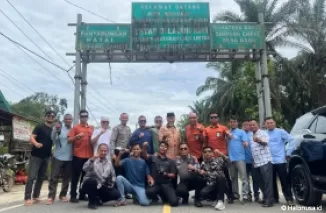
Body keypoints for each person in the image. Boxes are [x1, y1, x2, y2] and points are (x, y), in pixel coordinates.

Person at [24, 110, 55, 206]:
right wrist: (36, 143)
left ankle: (36, 196)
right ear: (45, 117)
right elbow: (32, 137)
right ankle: (27, 198)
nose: (51, 117)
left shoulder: (53, 130)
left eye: (53, 116)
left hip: (46, 157)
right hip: (36, 155)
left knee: (41, 177)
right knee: (31, 177)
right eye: (49, 115)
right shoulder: (39, 127)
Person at [203, 112, 234, 203]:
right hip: (211, 158)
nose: (214, 119)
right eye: (212, 117)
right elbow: (204, 141)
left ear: (218, 118)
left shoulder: (223, 128)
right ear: (210, 119)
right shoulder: (206, 129)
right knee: (212, 177)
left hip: (222, 157)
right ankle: (213, 195)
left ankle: (230, 195)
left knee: (226, 177)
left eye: (215, 117)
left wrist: (230, 135)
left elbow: (228, 134)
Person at [265, 117, 295, 206]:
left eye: (271, 122)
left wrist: (288, 152)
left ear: (275, 123)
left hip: (280, 160)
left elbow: (292, 140)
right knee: (272, 181)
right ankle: (275, 198)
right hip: (269, 161)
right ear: (265, 125)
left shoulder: (280, 131)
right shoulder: (264, 133)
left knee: (284, 180)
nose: (270, 124)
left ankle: (289, 199)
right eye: (268, 123)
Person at [81, 143, 120, 209]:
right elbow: (84, 168)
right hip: (90, 184)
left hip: (101, 185)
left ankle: (98, 199)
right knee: (92, 181)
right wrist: (92, 159)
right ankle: (91, 202)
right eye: (101, 150)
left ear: (107, 152)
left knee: (116, 194)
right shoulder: (93, 160)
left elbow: (113, 175)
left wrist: (112, 184)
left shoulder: (109, 163)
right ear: (98, 151)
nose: (103, 152)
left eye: (105, 151)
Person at [68, 110, 94, 203]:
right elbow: (69, 140)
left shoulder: (91, 128)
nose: (84, 117)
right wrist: (76, 137)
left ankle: (82, 194)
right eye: (82, 116)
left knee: (85, 177)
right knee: (75, 177)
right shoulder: (75, 128)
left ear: (87, 117)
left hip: (89, 156)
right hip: (78, 156)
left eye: (86, 116)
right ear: (80, 117)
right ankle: (73, 196)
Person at [47, 114, 73, 204]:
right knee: (54, 177)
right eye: (67, 119)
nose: (68, 120)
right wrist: (56, 130)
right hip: (58, 156)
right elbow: (53, 139)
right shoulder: (59, 128)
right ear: (64, 120)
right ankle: (51, 196)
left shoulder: (74, 129)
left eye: (70, 119)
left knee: (66, 178)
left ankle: (63, 195)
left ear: (72, 120)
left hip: (69, 157)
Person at [144, 141, 178, 207]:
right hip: (156, 184)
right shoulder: (153, 158)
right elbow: (145, 156)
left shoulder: (171, 161)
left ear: (167, 149)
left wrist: (166, 174)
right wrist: (145, 148)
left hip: (166, 184)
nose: (163, 148)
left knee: (174, 203)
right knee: (149, 192)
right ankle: (158, 194)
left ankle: (164, 195)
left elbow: (173, 175)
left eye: (165, 147)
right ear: (159, 147)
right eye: (161, 146)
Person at [249, 119, 274, 207]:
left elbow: (265, 143)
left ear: (258, 125)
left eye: (254, 125)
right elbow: (253, 150)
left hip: (265, 161)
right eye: (251, 125)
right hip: (256, 162)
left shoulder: (263, 133)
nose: (252, 126)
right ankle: (266, 197)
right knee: (259, 181)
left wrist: (258, 140)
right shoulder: (250, 135)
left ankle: (269, 201)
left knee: (267, 181)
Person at [197, 146, 228, 211]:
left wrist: (222, 155)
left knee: (220, 177)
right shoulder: (203, 163)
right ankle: (215, 199)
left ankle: (221, 201)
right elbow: (201, 174)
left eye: (209, 151)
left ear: (212, 153)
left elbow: (230, 162)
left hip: (221, 183)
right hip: (211, 184)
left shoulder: (219, 159)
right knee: (203, 192)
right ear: (203, 154)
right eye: (205, 152)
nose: (207, 153)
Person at [228, 117, 250, 202]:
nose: (233, 123)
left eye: (234, 122)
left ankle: (245, 195)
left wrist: (245, 144)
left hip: (240, 158)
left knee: (244, 177)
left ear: (237, 123)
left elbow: (246, 142)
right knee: (233, 178)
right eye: (231, 122)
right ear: (229, 123)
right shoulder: (227, 132)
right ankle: (235, 194)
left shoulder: (241, 132)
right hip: (231, 158)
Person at [242, 119, 261, 202]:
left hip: (253, 160)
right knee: (245, 179)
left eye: (248, 125)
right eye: (244, 125)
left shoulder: (252, 134)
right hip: (243, 161)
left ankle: (256, 195)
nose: (247, 126)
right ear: (242, 126)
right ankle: (248, 194)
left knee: (255, 178)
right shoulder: (241, 134)